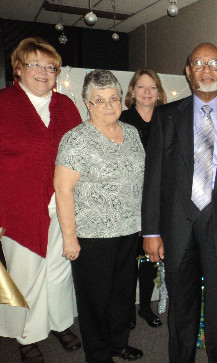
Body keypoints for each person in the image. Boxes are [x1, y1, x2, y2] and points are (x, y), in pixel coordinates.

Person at [142, 43, 217, 363]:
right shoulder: (165, 117)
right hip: (177, 227)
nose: (207, 69)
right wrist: (150, 232)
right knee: (181, 310)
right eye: (198, 63)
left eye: (214, 63)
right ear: (188, 71)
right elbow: (152, 177)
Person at [54, 69, 145, 363]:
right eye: (100, 100)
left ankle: (118, 343)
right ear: (87, 103)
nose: (109, 105)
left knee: (122, 295)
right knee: (95, 301)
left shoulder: (131, 133)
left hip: (129, 229)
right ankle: (98, 355)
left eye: (114, 98)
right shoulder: (76, 140)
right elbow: (63, 190)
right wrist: (70, 238)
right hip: (92, 236)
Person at [0, 37, 82, 363]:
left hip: (61, 204)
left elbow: (80, 152)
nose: (44, 72)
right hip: (17, 207)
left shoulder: (65, 105)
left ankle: (59, 322)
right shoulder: (4, 103)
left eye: (51, 67)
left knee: (59, 269)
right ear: (18, 68)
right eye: (35, 64)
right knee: (24, 274)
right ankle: (26, 334)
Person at [121, 68, 167, 329]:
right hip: (130, 199)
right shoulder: (122, 119)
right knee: (128, 259)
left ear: (159, 92)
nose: (147, 92)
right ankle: (127, 308)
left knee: (152, 257)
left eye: (152, 87)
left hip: (158, 199)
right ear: (133, 91)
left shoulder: (167, 118)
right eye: (141, 87)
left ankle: (145, 307)